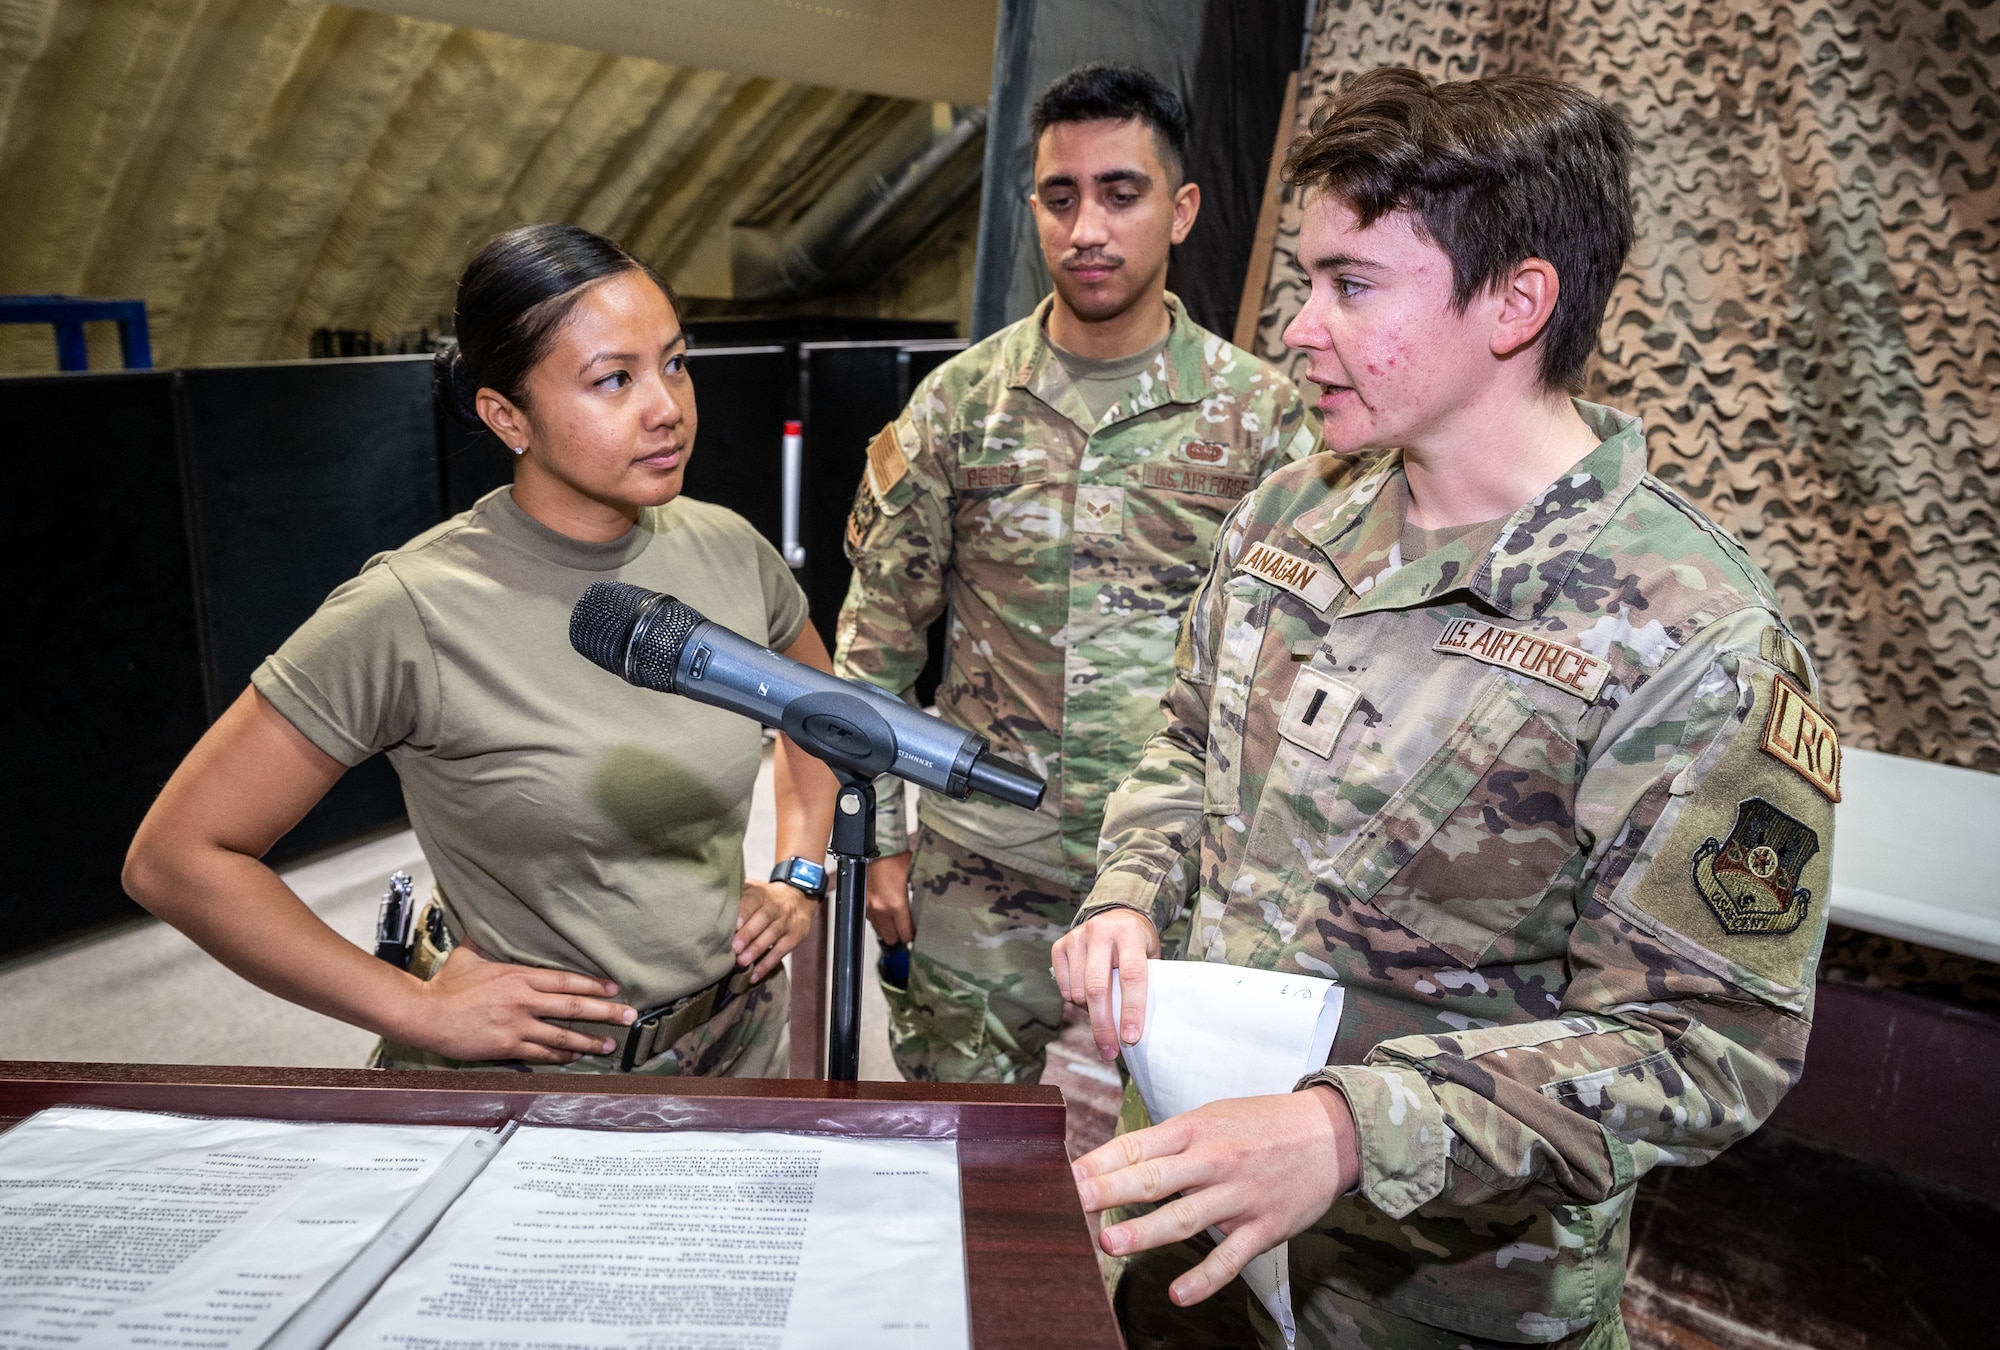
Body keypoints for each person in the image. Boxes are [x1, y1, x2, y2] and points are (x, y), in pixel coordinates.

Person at [1052, 68, 1839, 1349]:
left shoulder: (1696, 640)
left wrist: (1352, 1128)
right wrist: (1128, 892)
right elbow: (1185, 746)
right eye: (1305, 282)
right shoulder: (1286, 515)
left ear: (1516, 303)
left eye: (1350, 286)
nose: (1298, 330)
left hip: (1444, 1300)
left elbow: (1709, 1042)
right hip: (1201, 1247)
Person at [124, 223, 838, 1077]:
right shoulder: (411, 607)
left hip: (738, 1040)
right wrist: (418, 1006)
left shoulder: (725, 547)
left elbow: (823, 715)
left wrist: (798, 872)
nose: (666, 408)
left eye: (675, 363)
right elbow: (176, 858)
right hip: (534, 1082)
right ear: (507, 415)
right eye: (614, 379)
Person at [834, 63, 1319, 1085]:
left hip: (1177, 875)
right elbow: (876, 643)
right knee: (953, 1164)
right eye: (1060, 198)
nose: (1085, 227)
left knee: (1186, 1185)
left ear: (1181, 209)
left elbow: (1294, 671)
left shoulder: (1264, 419)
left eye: (1119, 192)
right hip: (979, 864)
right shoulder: (961, 406)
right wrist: (879, 844)